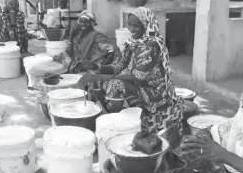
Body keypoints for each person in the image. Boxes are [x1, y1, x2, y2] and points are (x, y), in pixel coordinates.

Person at [76, 7, 184, 135]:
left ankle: (117, 129)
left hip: (155, 91)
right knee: (97, 79)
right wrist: (96, 67)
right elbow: (118, 66)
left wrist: (99, 77)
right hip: (137, 86)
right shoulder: (133, 42)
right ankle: (106, 115)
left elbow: (137, 77)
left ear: (146, 25)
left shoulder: (152, 46)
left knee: (115, 84)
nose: (131, 29)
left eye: (135, 26)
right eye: (129, 25)